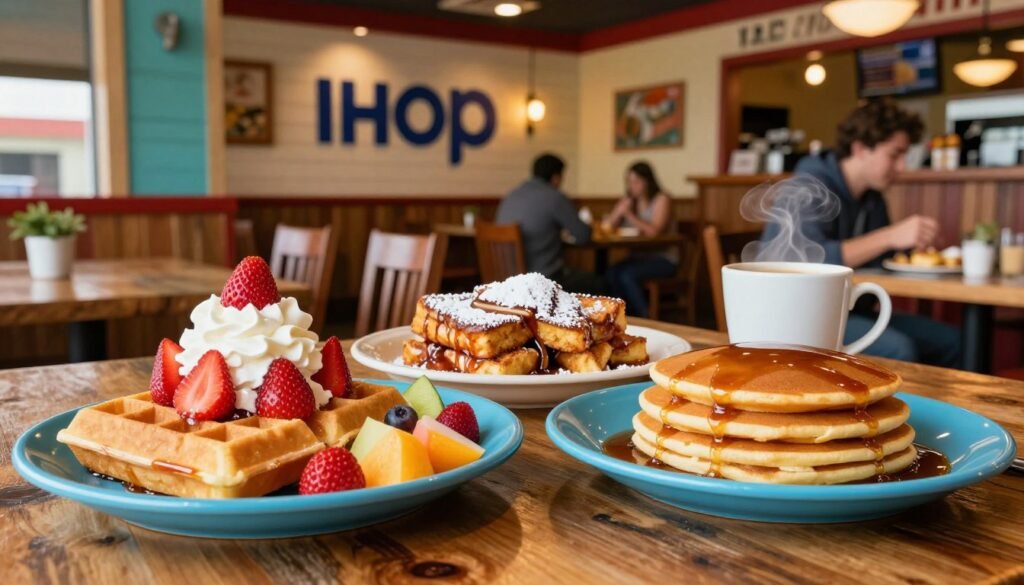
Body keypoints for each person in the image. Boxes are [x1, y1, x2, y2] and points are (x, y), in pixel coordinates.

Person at [761, 98, 960, 368]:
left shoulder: (872, 198)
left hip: (848, 310)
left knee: (953, 341)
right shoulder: (809, 186)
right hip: (797, 317)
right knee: (900, 349)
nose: (902, 166)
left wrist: (911, 248)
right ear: (860, 149)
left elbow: (881, 259)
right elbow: (809, 262)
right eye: (895, 154)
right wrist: (890, 235)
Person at [496, 153, 605, 294]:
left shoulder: (510, 196)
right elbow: (584, 235)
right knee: (598, 282)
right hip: (542, 280)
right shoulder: (554, 197)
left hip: (506, 279)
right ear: (556, 178)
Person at [603, 162, 676, 318]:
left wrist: (629, 215)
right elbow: (607, 226)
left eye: (636, 182)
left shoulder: (661, 198)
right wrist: (618, 211)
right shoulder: (630, 201)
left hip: (663, 259)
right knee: (611, 273)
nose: (632, 186)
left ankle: (645, 317)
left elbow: (654, 232)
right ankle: (620, 317)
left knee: (627, 275)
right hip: (637, 258)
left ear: (647, 181)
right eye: (628, 182)